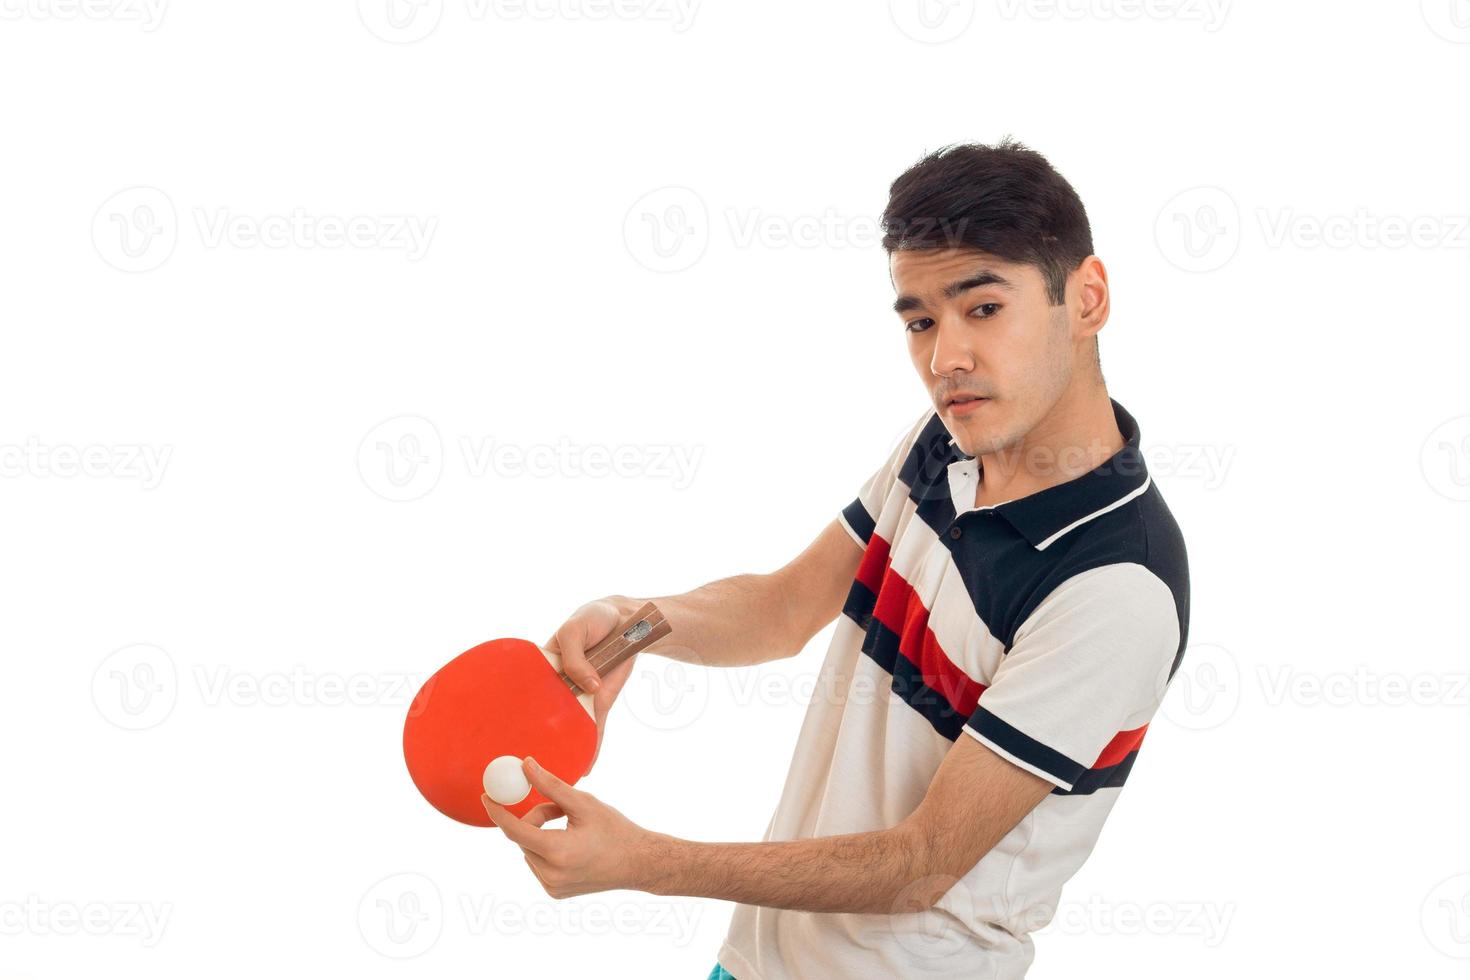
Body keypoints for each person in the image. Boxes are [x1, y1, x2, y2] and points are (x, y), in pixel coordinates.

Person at [480, 138, 1191, 979]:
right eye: (921, 320)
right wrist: (634, 624)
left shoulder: (1116, 587)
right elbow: (785, 609)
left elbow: (918, 865)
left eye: (983, 309)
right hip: (758, 962)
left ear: (1088, 298)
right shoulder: (948, 443)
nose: (944, 358)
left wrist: (647, 863)